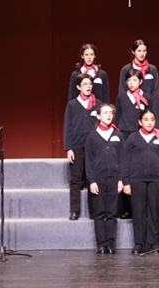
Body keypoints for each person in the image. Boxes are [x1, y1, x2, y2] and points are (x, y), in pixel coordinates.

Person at [121, 109, 159, 254]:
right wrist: (126, 182)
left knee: (155, 212)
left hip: (157, 180)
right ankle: (139, 243)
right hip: (137, 180)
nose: (149, 122)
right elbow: (125, 161)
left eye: (152, 119)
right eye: (146, 119)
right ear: (140, 122)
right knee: (138, 212)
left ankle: (153, 243)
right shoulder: (132, 138)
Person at [85, 103, 124, 254]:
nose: (108, 115)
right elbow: (88, 161)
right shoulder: (92, 137)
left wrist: (121, 179)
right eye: (105, 113)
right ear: (98, 116)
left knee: (112, 213)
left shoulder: (118, 136)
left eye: (111, 113)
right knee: (100, 212)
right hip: (99, 178)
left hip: (114, 178)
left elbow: (123, 159)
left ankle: (111, 243)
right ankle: (101, 243)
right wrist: (92, 180)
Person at [63, 73, 101, 220]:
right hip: (77, 146)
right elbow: (68, 127)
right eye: (85, 84)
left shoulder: (98, 103)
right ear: (78, 86)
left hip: (94, 147)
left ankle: (93, 211)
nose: (88, 87)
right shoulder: (72, 104)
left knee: (94, 178)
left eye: (90, 84)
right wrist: (69, 148)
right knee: (76, 180)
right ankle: (74, 210)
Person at [114, 68, 149, 140]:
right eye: (129, 80)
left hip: (140, 133)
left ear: (140, 81)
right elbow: (117, 115)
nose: (131, 83)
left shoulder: (146, 97)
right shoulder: (122, 97)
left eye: (134, 80)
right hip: (124, 133)